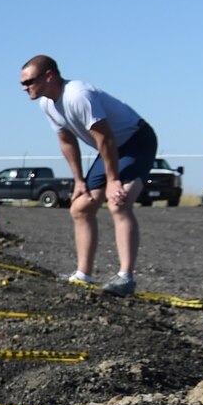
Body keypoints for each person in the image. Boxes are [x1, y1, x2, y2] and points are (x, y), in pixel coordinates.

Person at [19, 55, 157, 297]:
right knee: (80, 208)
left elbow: (106, 138)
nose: (25, 88)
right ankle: (83, 275)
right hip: (112, 149)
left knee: (119, 203)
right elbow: (66, 141)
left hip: (136, 141)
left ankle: (126, 277)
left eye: (29, 81)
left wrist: (113, 180)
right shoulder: (47, 104)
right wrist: (79, 181)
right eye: (23, 83)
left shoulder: (78, 95)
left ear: (49, 76)